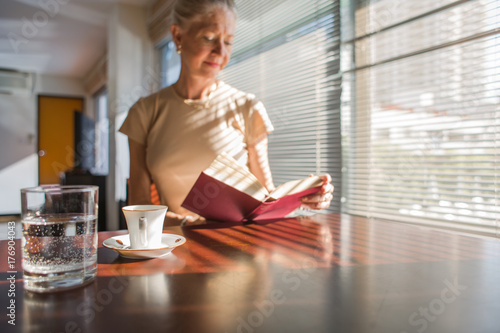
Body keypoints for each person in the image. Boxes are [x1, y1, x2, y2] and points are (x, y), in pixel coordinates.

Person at [119, 0, 334, 226]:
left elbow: (266, 198)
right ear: (178, 36)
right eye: (209, 38)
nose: (220, 52)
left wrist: (305, 198)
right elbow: (140, 209)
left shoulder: (247, 107)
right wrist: (191, 226)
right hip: (175, 247)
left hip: (238, 247)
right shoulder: (144, 112)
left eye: (228, 41)